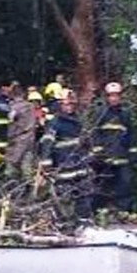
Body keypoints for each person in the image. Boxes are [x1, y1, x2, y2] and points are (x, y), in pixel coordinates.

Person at [39, 89, 92, 222]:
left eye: (72, 104)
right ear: (60, 105)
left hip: (79, 165)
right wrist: (47, 164)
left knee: (83, 194)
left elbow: (86, 144)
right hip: (63, 166)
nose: (69, 107)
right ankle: (64, 222)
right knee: (64, 197)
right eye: (66, 104)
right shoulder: (55, 123)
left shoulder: (78, 121)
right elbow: (47, 143)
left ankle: (84, 221)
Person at [91, 81, 137, 213]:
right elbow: (95, 134)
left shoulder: (125, 114)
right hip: (105, 158)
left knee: (125, 184)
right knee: (102, 184)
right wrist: (98, 152)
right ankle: (99, 211)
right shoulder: (101, 113)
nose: (114, 98)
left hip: (122, 157)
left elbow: (131, 134)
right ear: (106, 97)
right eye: (111, 95)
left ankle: (124, 211)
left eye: (116, 95)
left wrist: (134, 153)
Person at [5, 82, 38, 181]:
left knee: (12, 171)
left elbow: (10, 124)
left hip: (16, 142)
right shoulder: (30, 107)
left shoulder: (14, 107)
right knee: (27, 171)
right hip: (29, 141)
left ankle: (15, 188)